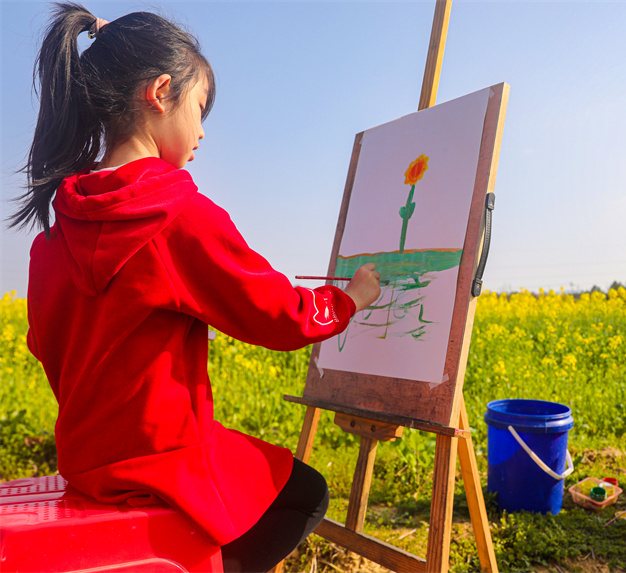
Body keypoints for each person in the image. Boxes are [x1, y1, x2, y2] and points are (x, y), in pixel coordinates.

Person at [9, 4, 381, 572]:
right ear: (161, 92)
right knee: (305, 493)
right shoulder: (176, 214)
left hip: (85, 462)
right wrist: (347, 299)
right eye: (200, 108)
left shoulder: (54, 237)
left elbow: (44, 344)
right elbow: (278, 316)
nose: (203, 131)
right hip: (161, 463)